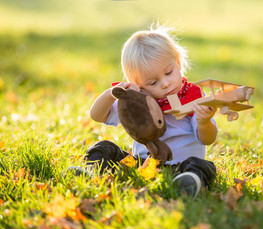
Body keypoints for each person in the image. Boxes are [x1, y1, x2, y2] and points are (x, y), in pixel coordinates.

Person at [84, 24, 218, 198]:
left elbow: (207, 139)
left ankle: (187, 183)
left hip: (183, 165)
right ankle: (94, 175)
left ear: (177, 64)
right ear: (138, 85)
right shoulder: (139, 103)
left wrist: (204, 121)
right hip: (143, 164)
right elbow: (97, 116)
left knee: (203, 166)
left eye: (169, 72)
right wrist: (111, 94)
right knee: (103, 147)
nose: (165, 83)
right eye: (153, 83)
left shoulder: (192, 98)